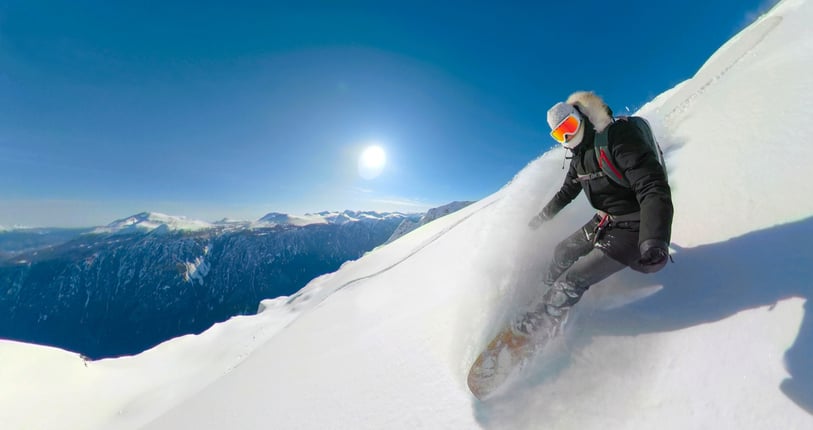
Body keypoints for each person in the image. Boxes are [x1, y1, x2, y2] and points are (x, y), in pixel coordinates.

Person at [515, 91, 674, 336]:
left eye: (569, 126)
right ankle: (541, 294)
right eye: (559, 133)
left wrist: (654, 238)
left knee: (573, 279)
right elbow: (566, 193)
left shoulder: (618, 138)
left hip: (634, 227)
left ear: (581, 117)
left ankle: (539, 326)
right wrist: (540, 219)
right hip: (605, 219)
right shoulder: (579, 158)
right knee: (562, 252)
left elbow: (652, 186)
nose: (567, 136)